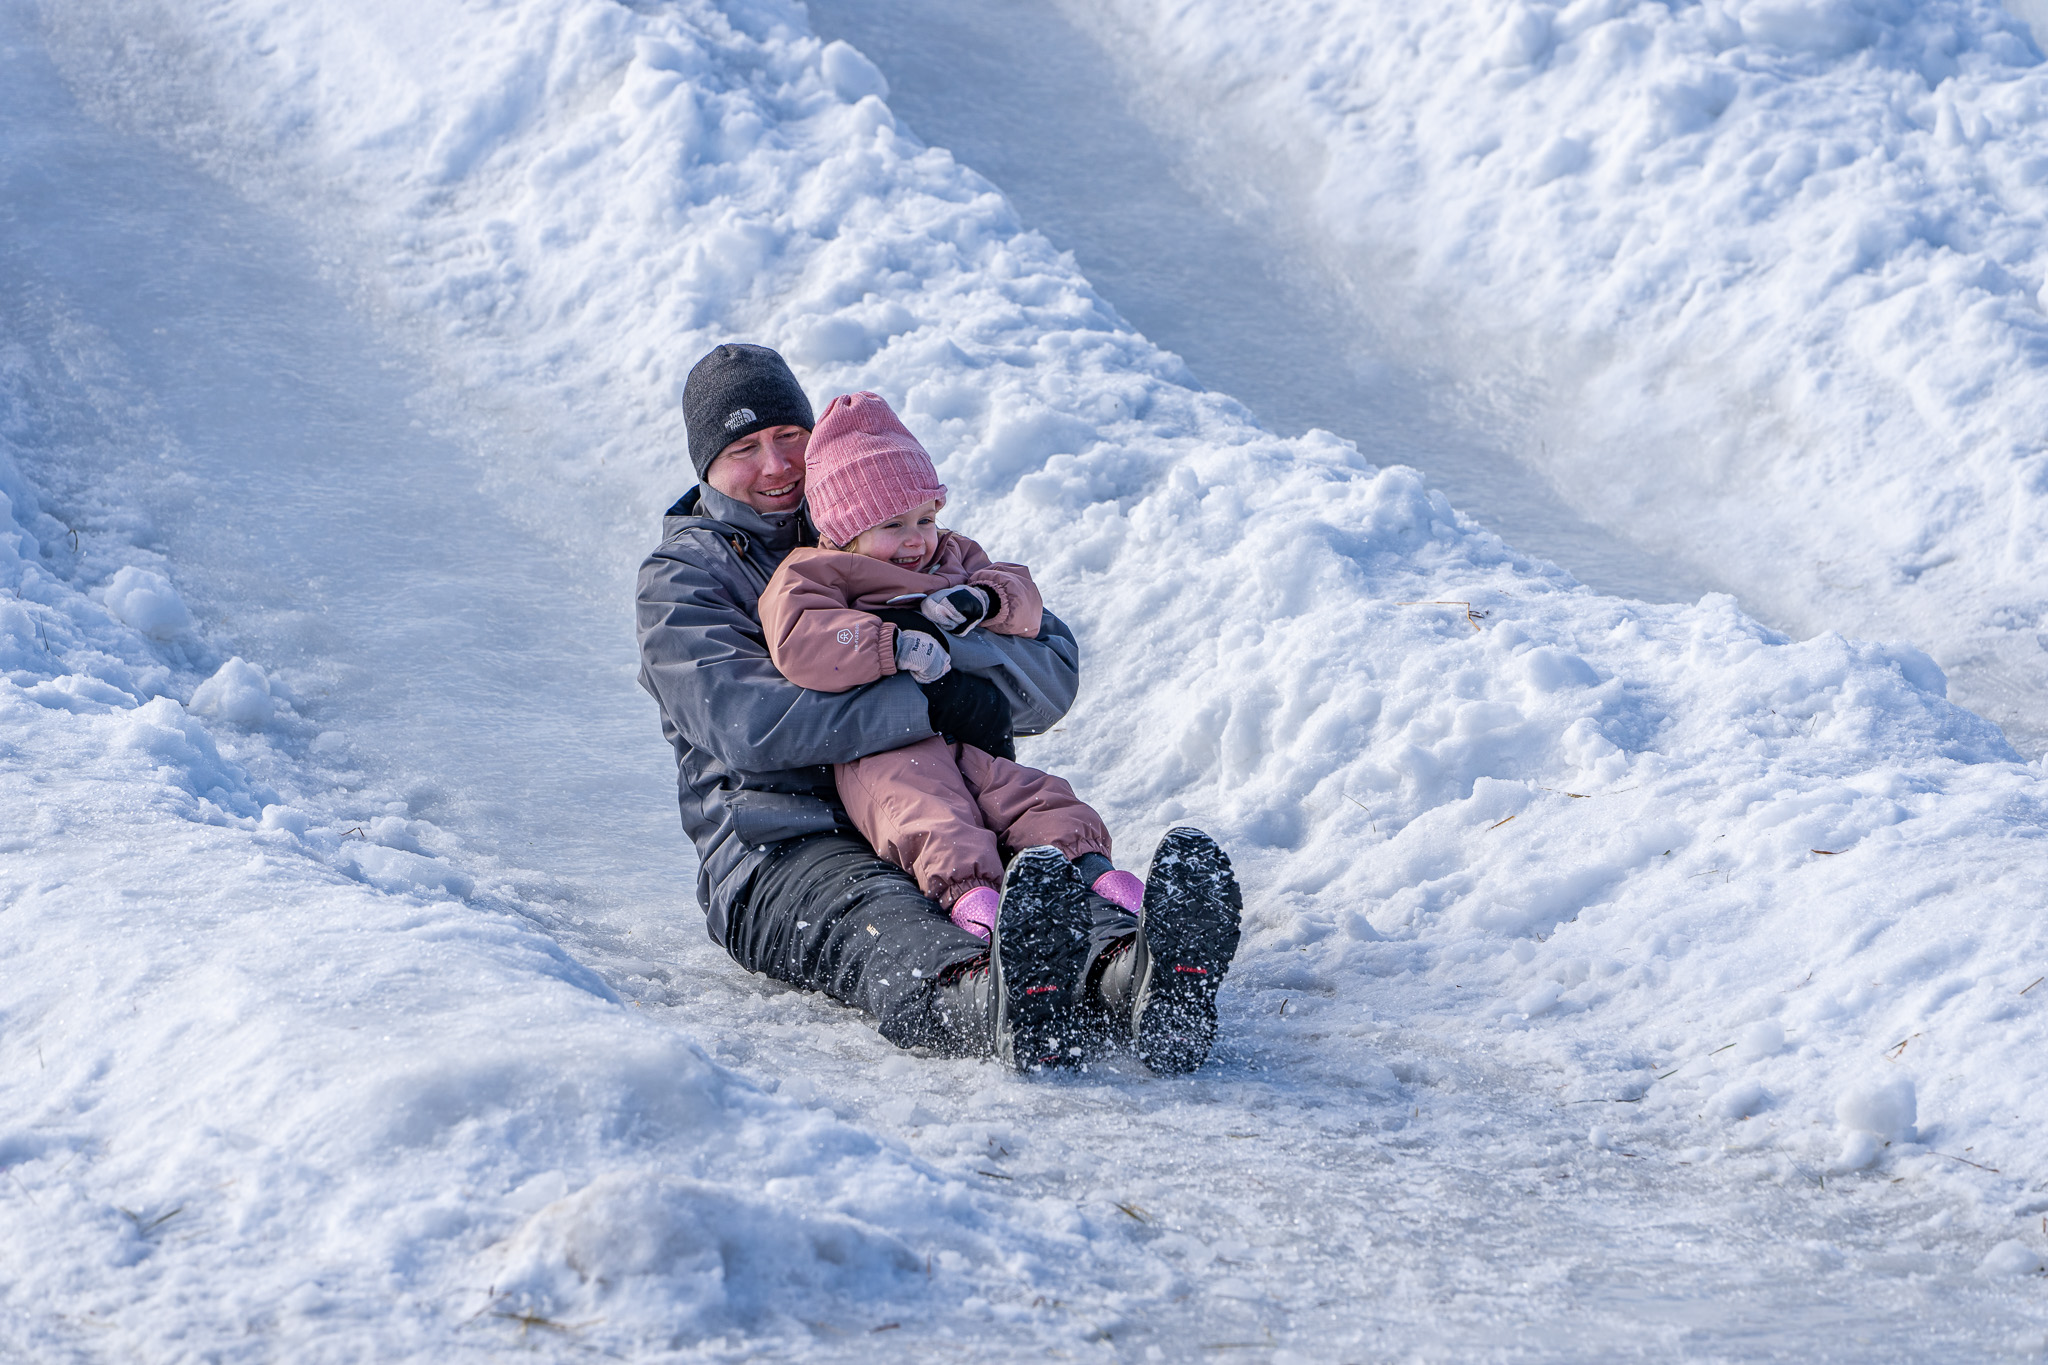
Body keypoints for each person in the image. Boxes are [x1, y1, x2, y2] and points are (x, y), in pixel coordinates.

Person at [634, 342, 1241, 1072]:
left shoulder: (873, 514)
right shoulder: (684, 580)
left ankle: (1135, 975)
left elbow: (1047, 670)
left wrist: (956, 661)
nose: (774, 465)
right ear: (706, 466)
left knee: (1036, 876)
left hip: (944, 791)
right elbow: (748, 723)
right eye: (743, 448)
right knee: (886, 919)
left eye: (788, 438)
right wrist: (927, 699)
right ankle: (993, 999)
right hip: (782, 843)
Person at [755, 390, 1147, 943]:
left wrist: (986, 600)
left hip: (965, 733)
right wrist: (891, 642)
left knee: (1032, 794)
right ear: (845, 529)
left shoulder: (953, 556)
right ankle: (975, 904)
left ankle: (1097, 878)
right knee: (930, 816)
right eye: (892, 526)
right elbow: (803, 639)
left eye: (925, 518)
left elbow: (1021, 592)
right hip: (883, 749)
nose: (916, 540)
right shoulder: (815, 574)